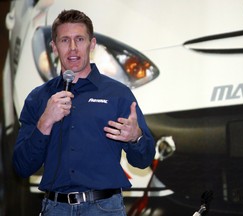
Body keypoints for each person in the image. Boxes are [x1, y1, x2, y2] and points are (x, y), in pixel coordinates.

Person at [12, 9, 155, 216]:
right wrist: (45, 122)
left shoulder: (117, 94)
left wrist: (136, 138)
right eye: (64, 40)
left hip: (104, 208)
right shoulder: (38, 98)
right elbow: (22, 167)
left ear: (92, 44)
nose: (72, 48)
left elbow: (143, 160)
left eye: (79, 39)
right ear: (54, 47)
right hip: (55, 208)